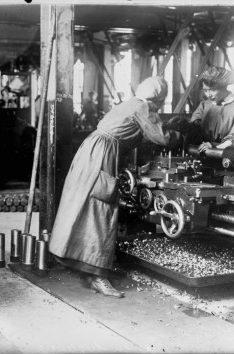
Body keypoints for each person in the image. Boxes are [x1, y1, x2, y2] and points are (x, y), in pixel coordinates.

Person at [49, 77, 183, 298]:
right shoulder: (143, 106)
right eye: (161, 101)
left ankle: (82, 265)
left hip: (90, 152)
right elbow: (163, 138)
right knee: (101, 210)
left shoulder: (131, 103)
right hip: (102, 156)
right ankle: (99, 276)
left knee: (82, 206)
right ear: (158, 98)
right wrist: (183, 135)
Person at [169, 65, 234, 153]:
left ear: (223, 87)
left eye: (212, 90)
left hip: (226, 155)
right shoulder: (205, 105)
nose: (208, 95)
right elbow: (194, 130)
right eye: (205, 90)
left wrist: (214, 147)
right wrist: (184, 125)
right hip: (204, 153)